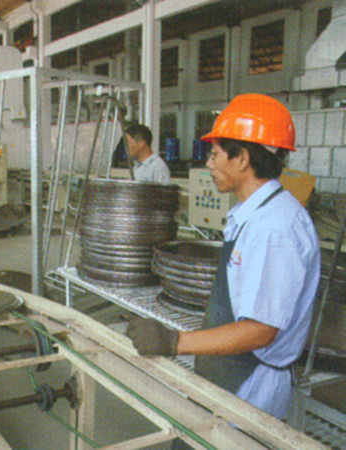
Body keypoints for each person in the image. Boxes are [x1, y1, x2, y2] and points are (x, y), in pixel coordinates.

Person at [127, 94, 321, 421]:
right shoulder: (256, 215)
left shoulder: (274, 228)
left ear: (242, 158)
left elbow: (260, 330)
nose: (209, 163)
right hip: (229, 368)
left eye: (215, 153)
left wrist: (175, 341)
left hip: (250, 383)